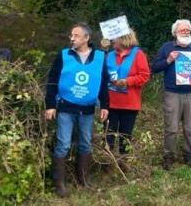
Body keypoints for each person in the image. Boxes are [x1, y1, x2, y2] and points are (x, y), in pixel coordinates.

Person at [45, 23, 109, 198]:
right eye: (71, 35)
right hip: (66, 108)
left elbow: (104, 83)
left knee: (85, 143)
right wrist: (50, 104)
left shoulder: (100, 57)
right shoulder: (64, 55)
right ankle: (59, 184)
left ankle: (84, 180)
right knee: (63, 144)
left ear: (87, 38)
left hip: (87, 110)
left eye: (76, 35)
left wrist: (105, 105)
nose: (72, 38)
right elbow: (52, 80)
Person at [151, 19, 191, 170]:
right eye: (182, 30)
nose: (186, 32)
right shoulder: (167, 47)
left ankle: (188, 155)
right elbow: (155, 67)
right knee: (171, 127)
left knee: (190, 127)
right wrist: (168, 60)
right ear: (175, 32)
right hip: (173, 94)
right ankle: (169, 156)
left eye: (188, 30)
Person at [105, 29, 150, 173]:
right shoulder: (109, 55)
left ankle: (123, 162)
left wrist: (128, 81)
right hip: (110, 102)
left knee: (126, 134)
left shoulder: (138, 54)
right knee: (109, 133)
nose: (112, 40)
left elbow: (144, 76)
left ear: (123, 38)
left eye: (114, 38)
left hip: (130, 103)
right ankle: (108, 162)